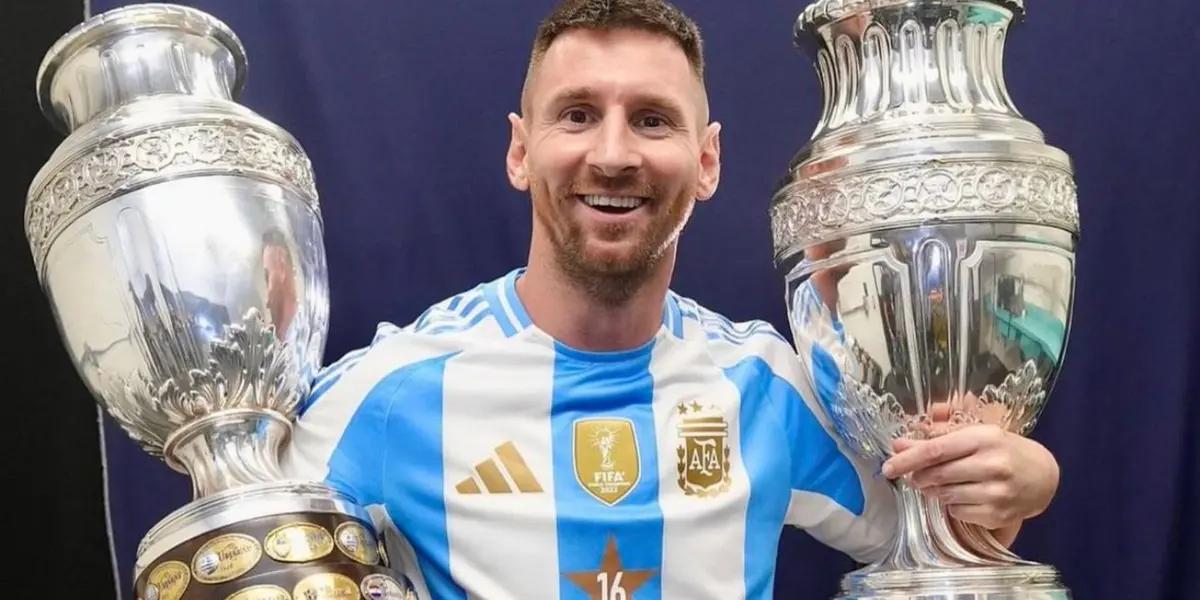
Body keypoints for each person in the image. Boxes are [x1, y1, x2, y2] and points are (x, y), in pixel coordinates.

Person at [280, 1, 1061, 598]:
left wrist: (1021, 481)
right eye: (578, 115)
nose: (613, 154)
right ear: (521, 151)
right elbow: (237, 541)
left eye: (652, 120)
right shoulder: (395, 388)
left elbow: (940, 540)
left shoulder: (765, 387)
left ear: (707, 160)